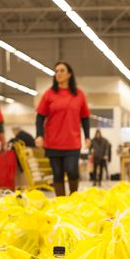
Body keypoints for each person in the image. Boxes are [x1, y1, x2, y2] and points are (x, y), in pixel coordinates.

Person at [36, 61, 91, 196]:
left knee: (72, 170)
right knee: (58, 174)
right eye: (56, 71)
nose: (58, 74)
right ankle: (61, 203)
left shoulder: (79, 94)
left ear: (69, 74)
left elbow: (85, 118)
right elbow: (40, 117)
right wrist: (39, 135)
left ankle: (73, 198)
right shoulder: (49, 94)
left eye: (61, 71)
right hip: (53, 142)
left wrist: (88, 136)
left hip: (72, 141)